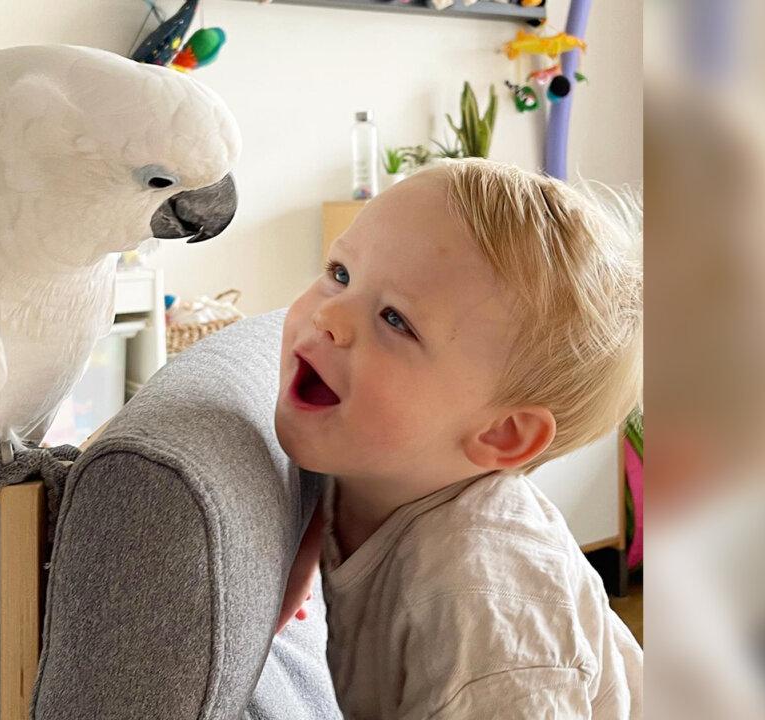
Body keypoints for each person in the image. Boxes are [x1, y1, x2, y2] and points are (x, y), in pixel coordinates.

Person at [273, 159, 642, 718]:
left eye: (395, 320)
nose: (329, 316)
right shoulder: (370, 461)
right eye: (341, 273)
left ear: (501, 433)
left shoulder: (482, 601)